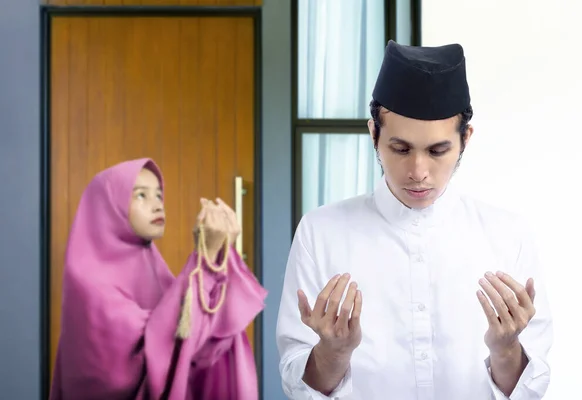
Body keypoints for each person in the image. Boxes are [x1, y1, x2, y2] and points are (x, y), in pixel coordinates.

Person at [276, 41, 553, 399]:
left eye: (438, 151)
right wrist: (334, 353)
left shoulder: (508, 235)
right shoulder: (320, 232)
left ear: (465, 140)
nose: (418, 172)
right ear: (374, 134)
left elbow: (532, 388)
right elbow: (295, 384)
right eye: (401, 149)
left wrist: (505, 349)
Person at [49, 158, 267, 400]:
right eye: (141, 196)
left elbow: (192, 341)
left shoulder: (152, 266)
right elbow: (144, 359)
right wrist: (203, 262)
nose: (157, 206)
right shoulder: (87, 279)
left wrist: (213, 260)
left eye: (159, 195)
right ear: (107, 207)